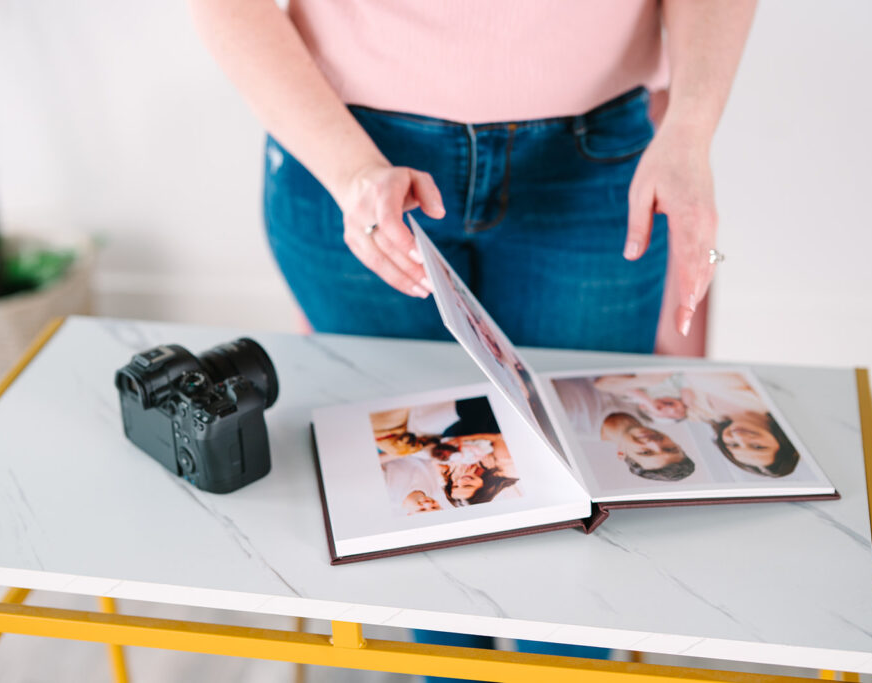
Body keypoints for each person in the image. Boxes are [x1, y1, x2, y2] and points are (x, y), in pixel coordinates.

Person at [191, 0, 756, 673]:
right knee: (419, 498)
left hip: (592, 161)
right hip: (351, 148)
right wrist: (351, 171)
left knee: (580, 498)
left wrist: (690, 128)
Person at [600, 412, 696, 481]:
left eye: (645, 452)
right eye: (669, 448)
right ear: (677, 445)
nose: (654, 443)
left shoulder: (586, 426)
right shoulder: (661, 410)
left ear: (621, 452)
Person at [711, 411, 799, 477]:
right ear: (785, 442)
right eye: (758, 446)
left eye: (734, 445)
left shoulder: (707, 411)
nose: (739, 437)